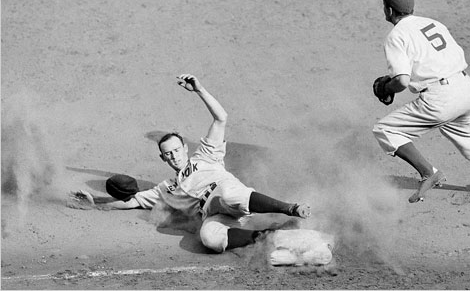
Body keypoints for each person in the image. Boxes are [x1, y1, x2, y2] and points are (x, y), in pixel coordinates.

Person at [70, 74, 311, 253]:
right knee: (209, 239)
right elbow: (132, 200)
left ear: (185, 148)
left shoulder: (206, 155)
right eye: (168, 154)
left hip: (231, 198)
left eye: (177, 150)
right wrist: (97, 204)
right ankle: (269, 236)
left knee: (227, 195)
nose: (174, 156)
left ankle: (290, 209)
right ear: (163, 158)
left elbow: (221, 118)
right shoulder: (166, 190)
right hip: (219, 216)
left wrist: (200, 90)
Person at [371, 0, 470, 203]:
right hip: (467, 88)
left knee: (385, 130)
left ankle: (428, 172)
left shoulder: (396, 36)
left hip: (441, 99)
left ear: (389, 11)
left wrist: (386, 87)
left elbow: (402, 81)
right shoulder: (433, 23)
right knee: (464, 132)